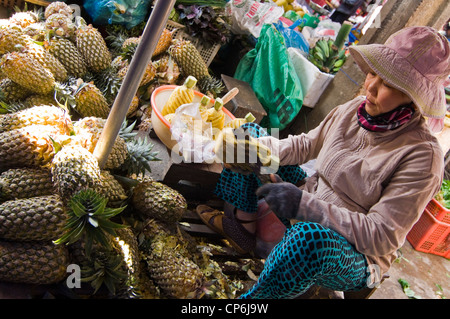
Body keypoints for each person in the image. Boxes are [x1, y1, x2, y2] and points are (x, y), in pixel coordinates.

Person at [196, 26, 450, 299]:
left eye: (388, 84)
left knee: (309, 240)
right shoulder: (354, 109)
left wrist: (304, 205)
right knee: (248, 136)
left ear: (413, 98)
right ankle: (242, 230)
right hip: (309, 203)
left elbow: (381, 234)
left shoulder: (423, 157)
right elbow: (305, 144)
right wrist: (257, 149)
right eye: (373, 73)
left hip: (352, 254)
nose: (371, 87)